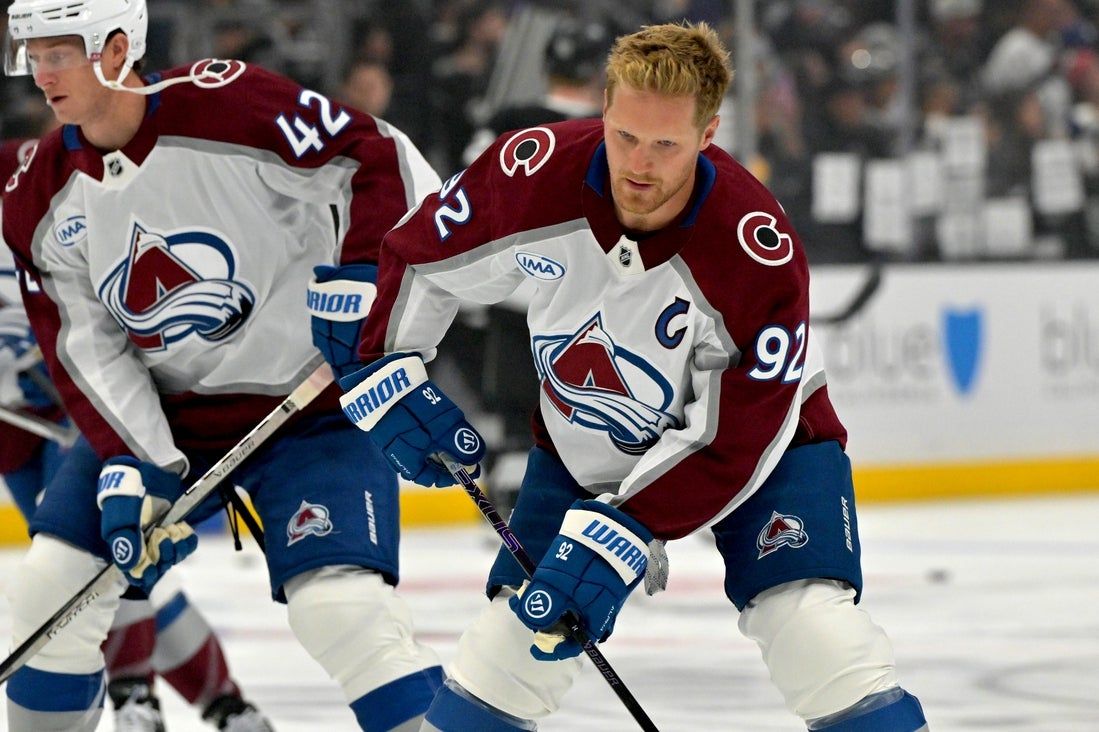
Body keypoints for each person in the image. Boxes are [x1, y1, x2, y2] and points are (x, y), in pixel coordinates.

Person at [326, 21, 929, 731]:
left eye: (665, 145)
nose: (638, 165)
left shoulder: (755, 251)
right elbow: (421, 255)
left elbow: (737, 432)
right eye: (624, 136)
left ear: (707, 134)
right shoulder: (532, 171)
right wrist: (388, 366)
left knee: (815, 637)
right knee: (509, 652)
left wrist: (630, 527)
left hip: (762, 454)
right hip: (585, 440)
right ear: (603, 110)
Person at [1, 1, 444, 730]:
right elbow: (85, 346)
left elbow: (379, 157)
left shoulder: (228, 104)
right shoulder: (38, 194)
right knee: (50, 593)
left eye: (60, 54)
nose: (42, 76)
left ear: (116, 48)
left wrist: (367, 283)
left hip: (310, 410)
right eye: (32, 55)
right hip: (167, 418)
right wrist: (136, 461)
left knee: (342, 611)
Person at [2, 134, 273, 732]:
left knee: (97, 558)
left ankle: (134, 691)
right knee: (82, 570)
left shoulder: (25, 174)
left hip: (81, 399)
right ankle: (224, 704)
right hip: (14, 426)